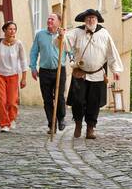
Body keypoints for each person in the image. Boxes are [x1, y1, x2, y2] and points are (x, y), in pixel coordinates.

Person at [63, 9, 122, 139]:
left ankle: (90, 128)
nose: (90, 20)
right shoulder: (77, 32)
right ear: (84, 20)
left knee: (93, 103)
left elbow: (112, 52)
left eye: (93, 18)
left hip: (97, 75)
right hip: (80, 73)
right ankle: (78, 124)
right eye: (88, 18)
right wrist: (62, 36)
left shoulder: (104, 33)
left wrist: (115, 70)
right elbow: (65, 43)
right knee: (78, 101)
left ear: (97, 20)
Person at [29, 13, 69, 134]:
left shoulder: (63, 35)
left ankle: (61, 118)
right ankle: (52, 124)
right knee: (47, 99)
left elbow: (70, 51)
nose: (49, 20)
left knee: (59, 97)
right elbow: (34, 52)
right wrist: (33, 67)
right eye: (49, 18)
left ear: (59, 22)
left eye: (52, 19)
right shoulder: (40, 35)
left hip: (59, 70)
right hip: (45, 71)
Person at [0, 21, 28, 133]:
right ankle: (4, 124)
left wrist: (24, 78)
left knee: (12, 102)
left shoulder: (18, 44)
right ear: (5, 30)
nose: (12, 31)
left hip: (13, 75)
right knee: (0, 101)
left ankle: (12, 119)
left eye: (14, 29)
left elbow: (23, 61)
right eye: (10, 29)